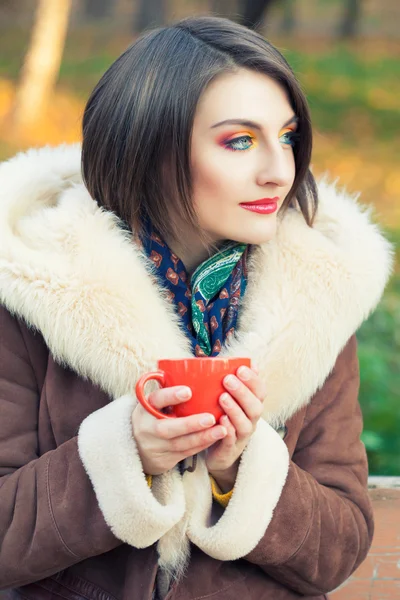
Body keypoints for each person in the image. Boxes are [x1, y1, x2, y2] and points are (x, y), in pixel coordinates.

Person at [0, 15, 393, 600]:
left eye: (286, 137)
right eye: (240, 141)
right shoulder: (33, 287)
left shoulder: (316, 298)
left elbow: (337, 550)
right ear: (149, 145)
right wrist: (121, 457)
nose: (279, 171)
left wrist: (244, 468)